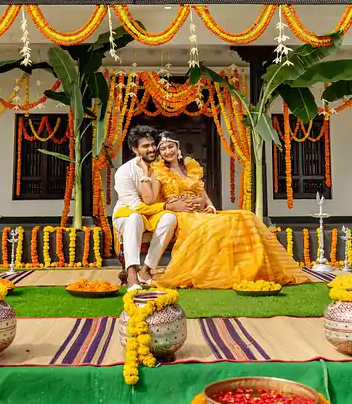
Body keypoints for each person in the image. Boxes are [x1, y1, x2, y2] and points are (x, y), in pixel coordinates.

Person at [151, 132, 309, 289]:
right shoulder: (158, 172)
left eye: (170, 146)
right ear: (159, 153)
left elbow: (203, 195)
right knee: (216, 226)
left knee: (245, 216)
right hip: (183, 216)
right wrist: (172, 205)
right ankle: (217, 273)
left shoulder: (190, 167)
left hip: (201, 213)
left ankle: (251, 269)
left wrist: (210, 207)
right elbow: (152, 200)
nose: (168, 151)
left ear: (177, 146)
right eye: (163, 149)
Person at [112, 125, 179, 291]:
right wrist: (165, 205)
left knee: (170, 218)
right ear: (135, 149)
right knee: (134, 218)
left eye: (152, 144)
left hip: (152, 214)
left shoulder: (160, 166)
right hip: (126, 214)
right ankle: (131, 274)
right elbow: (137, 206)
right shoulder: (124, 172)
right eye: (145, 146)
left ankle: (146, 270)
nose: (152, 149)